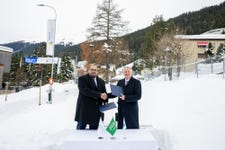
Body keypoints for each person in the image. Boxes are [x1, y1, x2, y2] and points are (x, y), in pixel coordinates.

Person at [74, 64, 108, 130]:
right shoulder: (82, 79)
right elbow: (85, 91)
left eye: (95, 70)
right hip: (84, 110)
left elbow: (104, 93)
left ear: (97, 71)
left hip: (96, 111)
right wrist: (99, 95)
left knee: (93, 133)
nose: (93, 71)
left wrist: (105, 100)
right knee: (80, 132)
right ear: (88, 70)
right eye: (92, 69)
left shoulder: (101, 81)